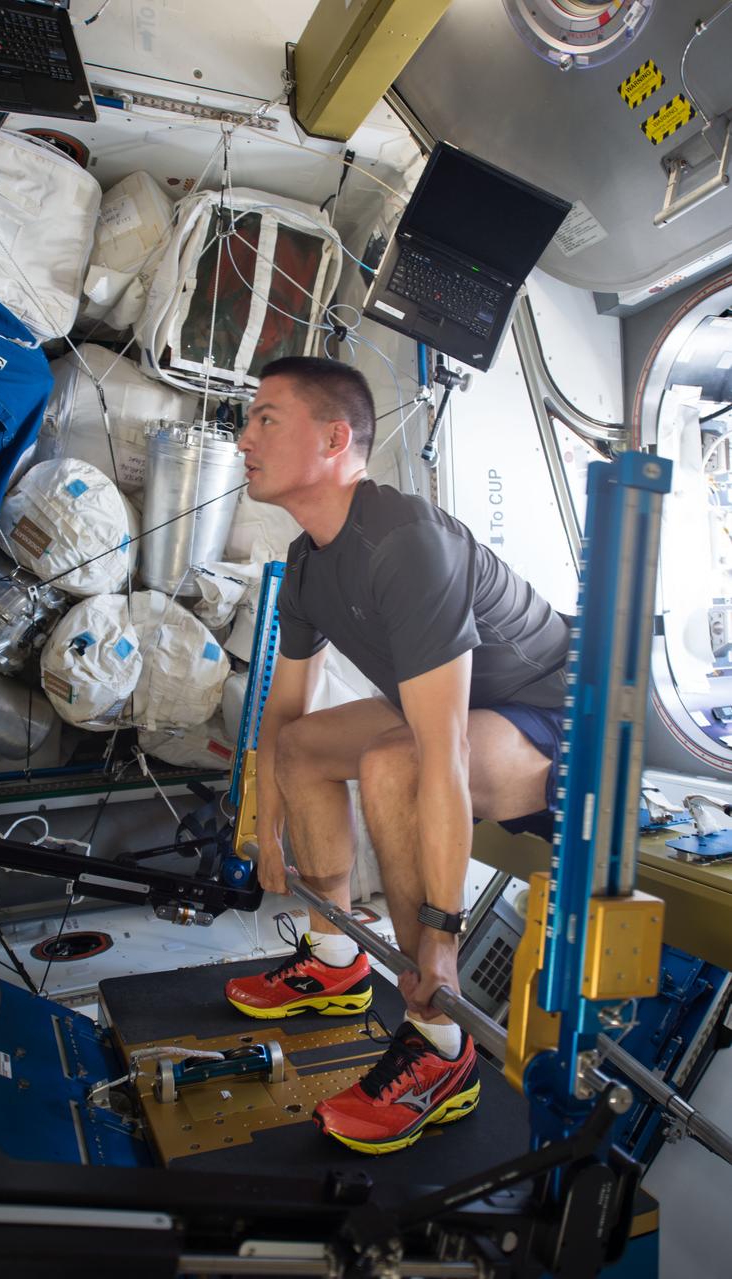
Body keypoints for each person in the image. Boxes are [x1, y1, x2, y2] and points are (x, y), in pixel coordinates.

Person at [223, 355, 569, 1155]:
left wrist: (441, 936)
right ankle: (337, 956)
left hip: (550, 710)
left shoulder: (403, 542)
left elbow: (439, 750)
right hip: (463, 703)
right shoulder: (309, 560)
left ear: (335, 437)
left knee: (392, 762)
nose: (244, 437)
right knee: (309, 748)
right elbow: (285, 713)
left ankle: (437, 1042)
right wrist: (265, 824)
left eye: (266, 418)